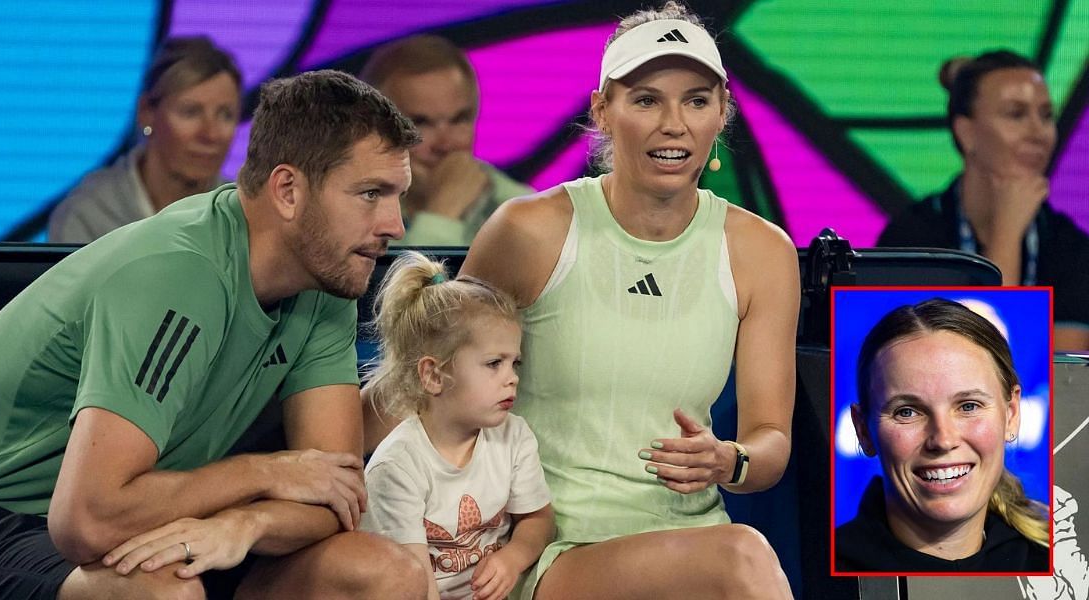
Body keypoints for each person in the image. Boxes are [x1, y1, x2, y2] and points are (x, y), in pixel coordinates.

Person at [0, 70, 430, 600]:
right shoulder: (178, 274)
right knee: (161, 591)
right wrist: (263, 472)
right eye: (370, 194)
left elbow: (331, 494)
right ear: (287, 189)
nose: (395, 225)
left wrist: (246, 524)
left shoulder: (326, 276)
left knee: (384, 572)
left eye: (397, 195)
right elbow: (87, 520)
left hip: (147, 520)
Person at [458, 3, 799, 598]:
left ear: (722, 114)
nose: (675, 123)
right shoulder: (528, 232)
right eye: (646, 100)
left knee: (736, 556)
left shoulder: (763, 252)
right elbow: (432, 388)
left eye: (696, 100)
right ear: (603, 112)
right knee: (743, 558)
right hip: (548, 546)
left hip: (695, 545)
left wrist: (730, 460)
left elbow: (770, 439)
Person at [360, 251, 554, 600]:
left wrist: (513, 558)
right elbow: (414, 583)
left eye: (515, 363)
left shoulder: (514, 435)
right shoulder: (398, 466)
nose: (511, 379)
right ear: (434, 375)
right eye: (494, 363)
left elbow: (538, 519)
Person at [876, 50, 1089, 352]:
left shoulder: (1069, 247)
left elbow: (1060, 378)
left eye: (1045, 115)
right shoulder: (913, 238)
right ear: (967, 133)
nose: (1038, 132)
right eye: (1016, 114)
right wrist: (1007, 231)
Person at [837, 298, 1050, 572]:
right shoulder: (811, 575)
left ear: (1011, 414)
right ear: (863, 430)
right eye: (907, 412)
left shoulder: (1068, 567)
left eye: (968, 406)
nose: (943, 440)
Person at [48, 36, 242, 243]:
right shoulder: (88, 215)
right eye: (190, 112)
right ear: (146, 113)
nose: (210, 134)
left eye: (225, 115)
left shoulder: (247, 217)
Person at [359, 35, 534, 247]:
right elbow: (406, 282)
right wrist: (442, 214)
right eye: (420, 122)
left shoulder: (523, 211)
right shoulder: (347, 213)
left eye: (459, 120)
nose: (445, 145)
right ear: (376, 130)